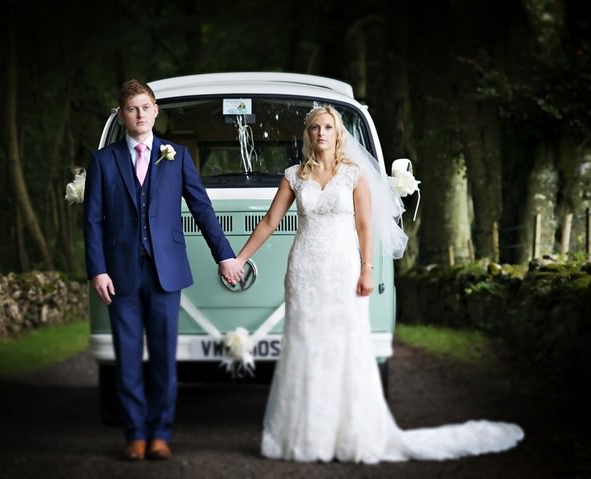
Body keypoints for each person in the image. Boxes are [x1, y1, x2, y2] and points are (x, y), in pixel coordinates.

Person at [232, 105, 524, 463]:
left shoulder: (353, 175)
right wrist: (241, 258)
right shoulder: (294, 175)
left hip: (344, 268)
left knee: (345, 346)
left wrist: (367, 269)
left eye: (327, 127)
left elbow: (365, 226)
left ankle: (351, 433)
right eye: (314, 128)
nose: (321, 133)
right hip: (304, 270)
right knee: (305, 347)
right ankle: (306, 435)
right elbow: (268, 222)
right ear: (307, 135)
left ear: (338, 134)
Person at [83, 78, 243, 461]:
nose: (140, 114)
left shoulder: (178, 155)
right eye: (132, 109)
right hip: (119, 274)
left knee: (162, 357)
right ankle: (135, 433)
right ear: (122, 115)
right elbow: (92, 222)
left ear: (156, 111)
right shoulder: (103, 161)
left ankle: (160, 433)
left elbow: (202, 208)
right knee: (127, 357)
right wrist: (97, 270)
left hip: (165, 273)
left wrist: (224, 255)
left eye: (146, 107)